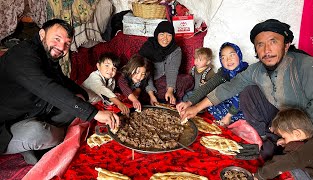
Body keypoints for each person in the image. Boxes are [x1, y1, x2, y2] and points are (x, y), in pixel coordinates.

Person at [179, 19, 313, 160]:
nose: (267, 50)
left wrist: (294, 134)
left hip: (308, 129)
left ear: (286, 45)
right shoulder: (256, 70)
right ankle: (266, 138)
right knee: (249, 92)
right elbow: (230, 87)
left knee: (294, 158)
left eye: (273, 41)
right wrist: (196, 108)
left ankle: (284, 144)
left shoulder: (307, 66)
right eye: (260, 44)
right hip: (278, 121)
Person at [0, 19, 120, 164]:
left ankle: (40, 143)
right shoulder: (21, 55)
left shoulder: (47, 56)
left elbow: (62, 81)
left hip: (32, 112)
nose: (61, 47)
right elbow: (47, 87)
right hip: (5, 125)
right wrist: (94, 113)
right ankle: (44, 142)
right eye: (57, 39)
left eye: (67, 44)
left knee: (76, 104)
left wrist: (85, 96)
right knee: (40, 133)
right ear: (42, 34)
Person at [177, 42, 249, 127]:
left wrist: (228, 116)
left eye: (231, 55)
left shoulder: (247, 72)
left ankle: (231, 118)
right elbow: (207, 86)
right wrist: (189, 103)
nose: (228, 60)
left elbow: (239, 97)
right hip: (229, 102)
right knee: (211, 104)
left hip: (244, 105)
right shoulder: (223, 72)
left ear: (239, 54)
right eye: (223, 58)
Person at [254, 108, 313, 180]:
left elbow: (289, 160)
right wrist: (286, 141)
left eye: (284, 137)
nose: (283, 139)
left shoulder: (305, 150)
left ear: (297, 134)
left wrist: (260, 175)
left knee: (288, 162)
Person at [139, 21, 194, 105]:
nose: (165, 38)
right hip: (147, 80)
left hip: (166, 80)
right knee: (142, 88)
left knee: (188, 79)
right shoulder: (148, 48)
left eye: (169, 35)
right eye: (162, 34)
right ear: (156, 34)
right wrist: (151, 93)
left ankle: (166, 96)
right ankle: (153, 97)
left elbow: (172, 70)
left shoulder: (175, 50)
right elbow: (145, 74)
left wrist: (170, 90)